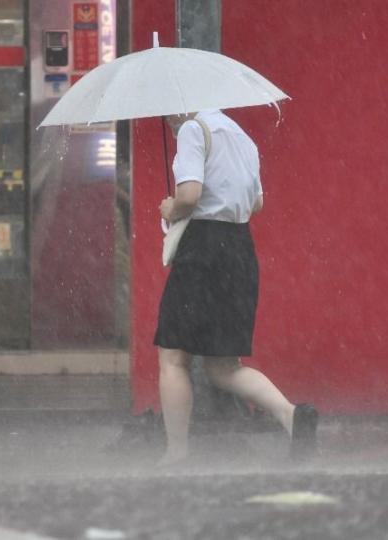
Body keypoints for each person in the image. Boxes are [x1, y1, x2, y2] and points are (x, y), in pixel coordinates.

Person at [155, 109, 318, 466]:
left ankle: (176, 453)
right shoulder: (242, 137)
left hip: (203, 249)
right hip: (240, 249)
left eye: (170, 113)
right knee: (224, 365)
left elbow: (190, 194)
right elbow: (256, 202)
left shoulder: (192, 130)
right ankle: (292, 415)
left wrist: (171, 208)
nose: (168, 119)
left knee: (173, 357)